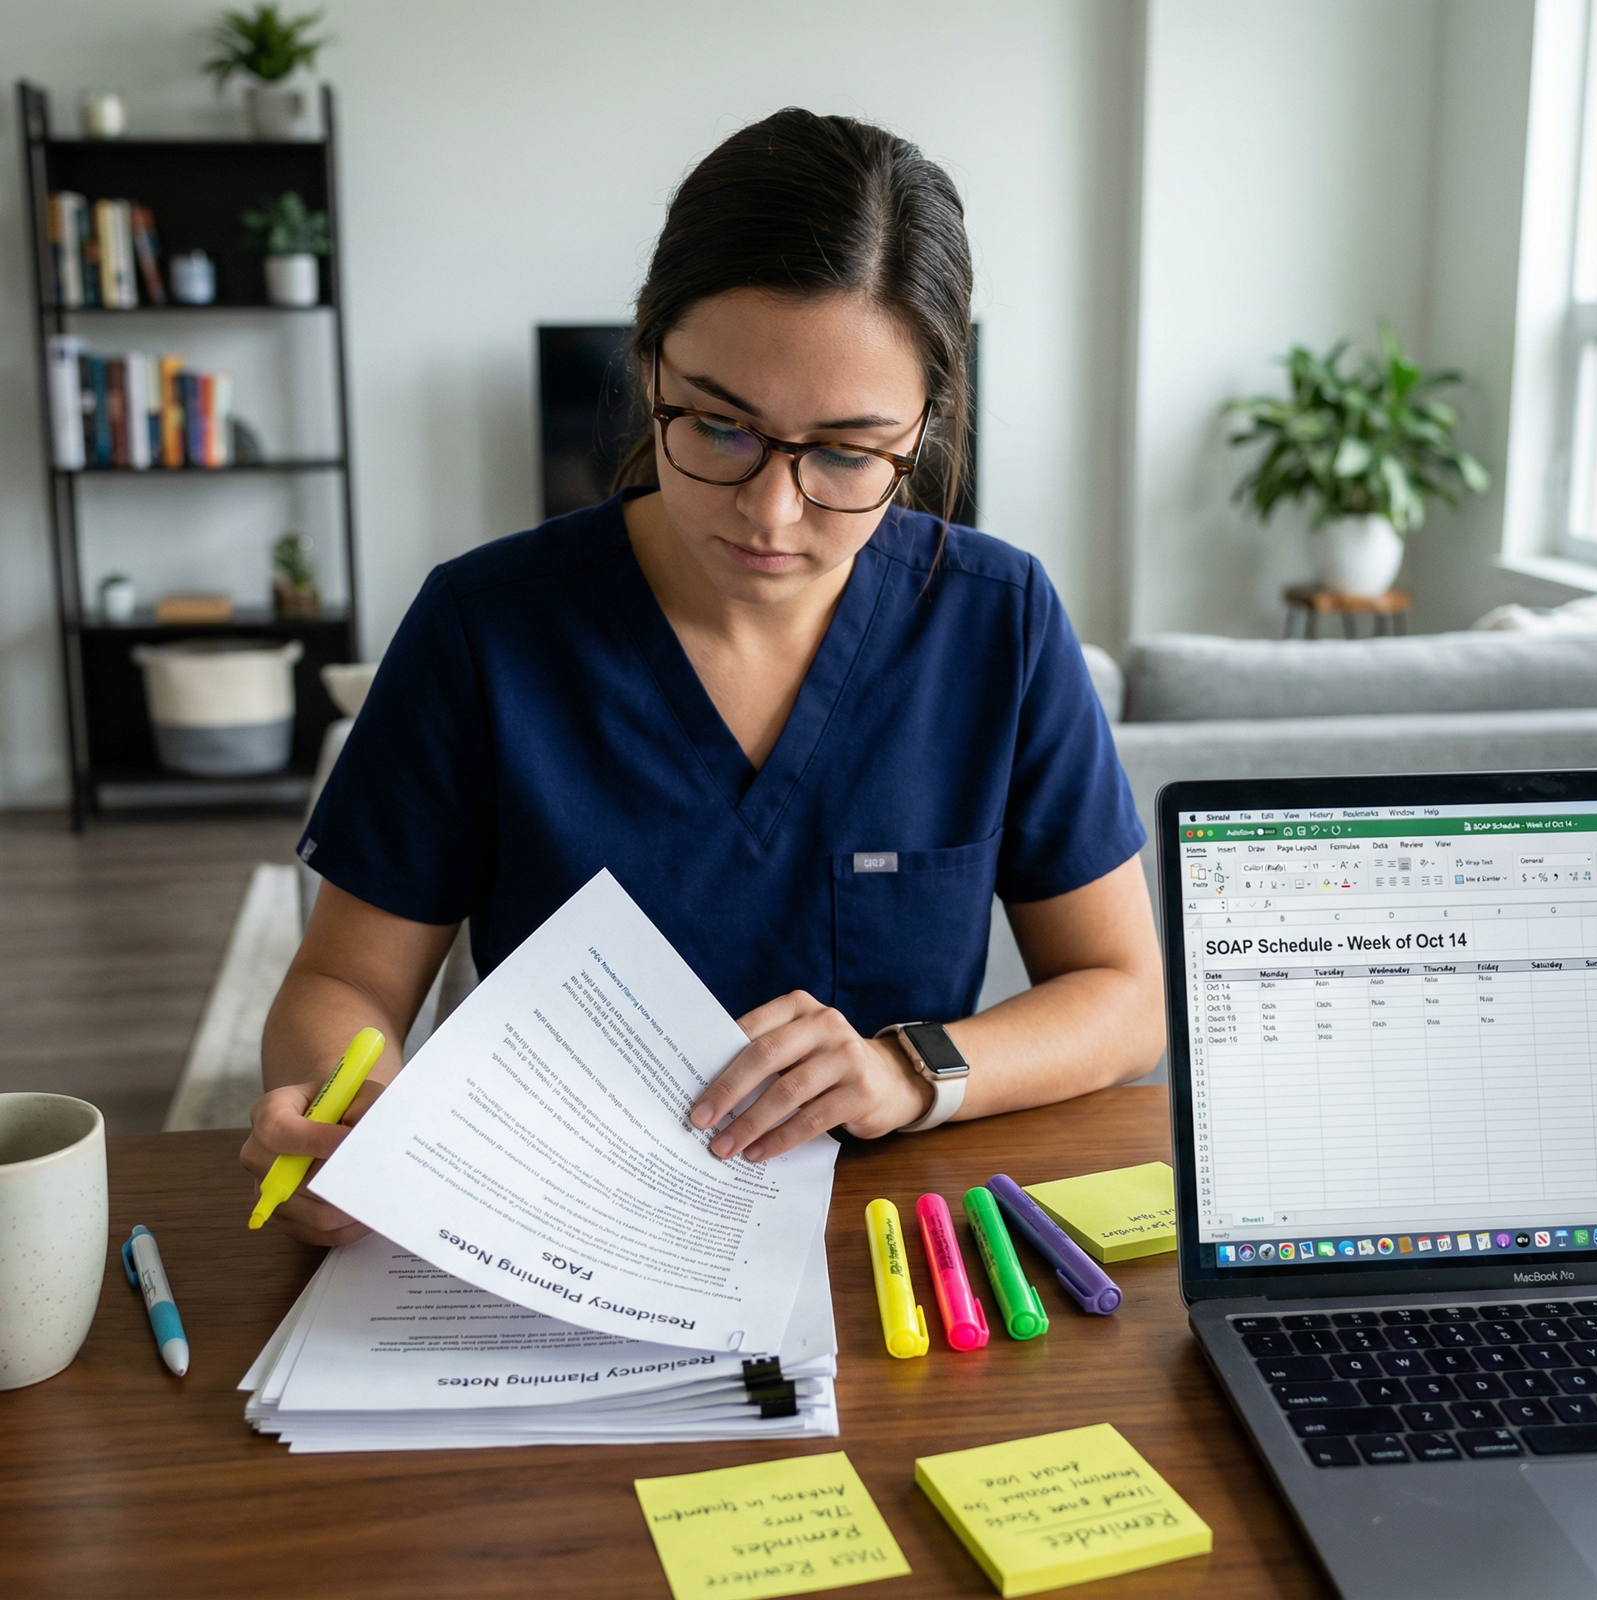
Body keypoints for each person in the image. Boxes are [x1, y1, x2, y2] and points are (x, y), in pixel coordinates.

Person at [242, 108, 1164, 1248]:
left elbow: (1124, 998)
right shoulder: (485, 628)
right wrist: (350, 1119)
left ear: (924, 425)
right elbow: (344, 983)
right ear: (648, 364)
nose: (771, 513)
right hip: (545, 1240)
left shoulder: (997, 623)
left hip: (882, 1255)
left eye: (844, 451)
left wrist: (907, 1069)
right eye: (720, 429)